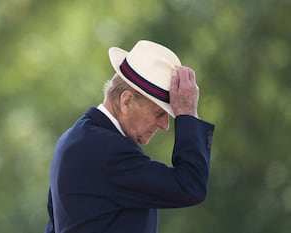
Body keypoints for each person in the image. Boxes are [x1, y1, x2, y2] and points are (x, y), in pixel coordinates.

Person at [44, 40, 215, 233]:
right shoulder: (108, 150)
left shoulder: (73, 139)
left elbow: (53, 226)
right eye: (159, 113)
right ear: (127, 101)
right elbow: (190, 186)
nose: (165, 125)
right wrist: (188, 115)